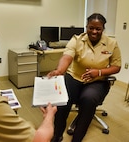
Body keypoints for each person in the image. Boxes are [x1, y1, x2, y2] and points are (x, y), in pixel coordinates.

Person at [47, 13, 121, 142]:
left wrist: (98, 72)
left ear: (103, 29)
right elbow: (67, 56)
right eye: (91, 27)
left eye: (98, 29)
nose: (94, 31)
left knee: (88, 99)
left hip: (97, 81)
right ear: (86, 27)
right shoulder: (76, 39)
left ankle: (77, 138)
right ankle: (57, 135)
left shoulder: (112, 43)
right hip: (74, 77)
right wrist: (59, 70)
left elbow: (116, 66)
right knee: (63, 101)